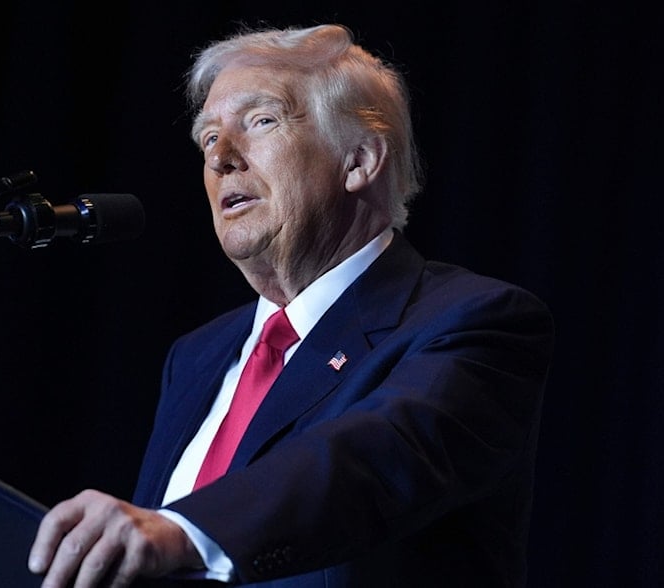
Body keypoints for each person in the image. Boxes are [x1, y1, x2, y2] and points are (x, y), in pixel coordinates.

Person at [28, 23, 554, 587]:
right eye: (208, 138)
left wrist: (184, 530)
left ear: (360, 160)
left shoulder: (474, 322)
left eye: (261, 121)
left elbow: (370, 459)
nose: (221, 159)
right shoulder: (197, 357)